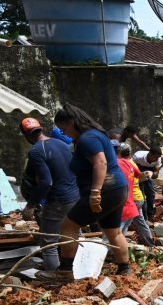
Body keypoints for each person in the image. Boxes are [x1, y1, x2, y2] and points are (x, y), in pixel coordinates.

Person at [35, 104, 130, 284]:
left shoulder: (87, 138)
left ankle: (64, 271)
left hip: (105, 189)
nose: (65, 132)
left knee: (67, 226)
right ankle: (124, 269)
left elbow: (100, 164)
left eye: (64, 128)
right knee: (113, 231)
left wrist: (95, 193)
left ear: (72, 122)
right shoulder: (97, 133)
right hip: (117, 188)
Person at [19, 117, 80, 271]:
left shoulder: (36, 151)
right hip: (75, 196)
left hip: (58, 200)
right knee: (71, 235)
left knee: (49, 243)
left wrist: (30, 205)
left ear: (26, 135)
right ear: (41, 129)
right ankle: (79, 271)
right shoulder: (62, 143)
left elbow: (47, 182)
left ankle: (54, 276)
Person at [117, 144, 155, 247]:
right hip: (138, 198)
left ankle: (117, 247)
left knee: (122, 224)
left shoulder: (121, 164)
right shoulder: (132, 163)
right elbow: (140, 176)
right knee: (140, 222)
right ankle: (150, 243)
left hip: (131, 199)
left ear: (119, 153)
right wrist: (149, 172)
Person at [132, 147, 162, 222]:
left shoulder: (158, 159)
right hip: (137, 172)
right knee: (142, 197)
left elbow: (156, 174)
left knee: (151, 193)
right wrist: (140, 177)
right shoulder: (137, 157)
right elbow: (131, 170)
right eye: (155, 157)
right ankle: (144, 218)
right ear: (150, 154)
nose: (157, 159)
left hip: (149, 174)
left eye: (158, 157)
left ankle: (150, 214)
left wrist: (150, 174)